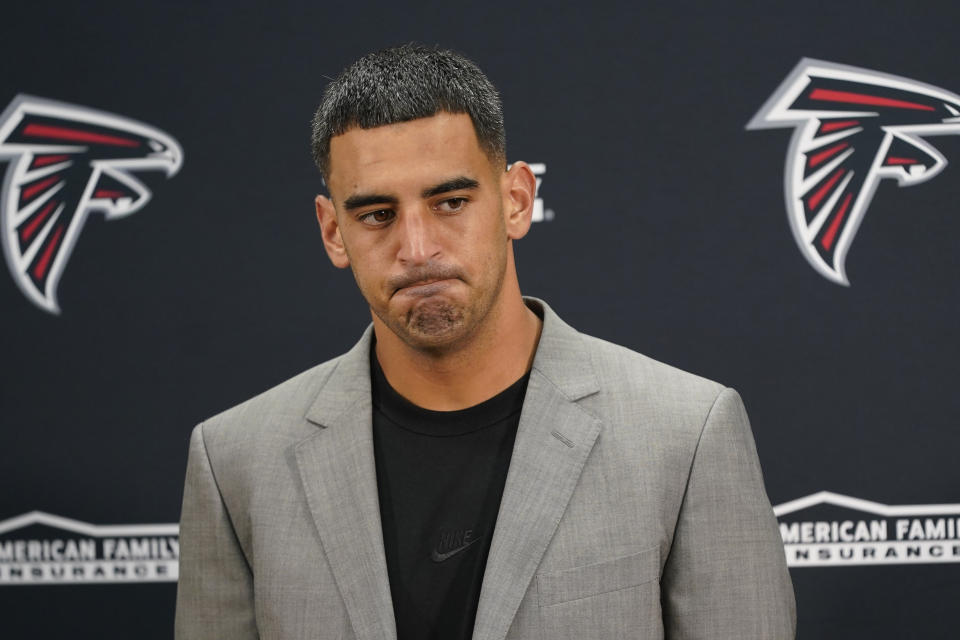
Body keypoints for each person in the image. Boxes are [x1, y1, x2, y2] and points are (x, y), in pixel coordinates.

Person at [174, 44, 796, 640]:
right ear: (334, 232)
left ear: (516, 200)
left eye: (450, 202)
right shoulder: (235, 462)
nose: (417, 249)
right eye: (376, 215)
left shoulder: (685, 435)